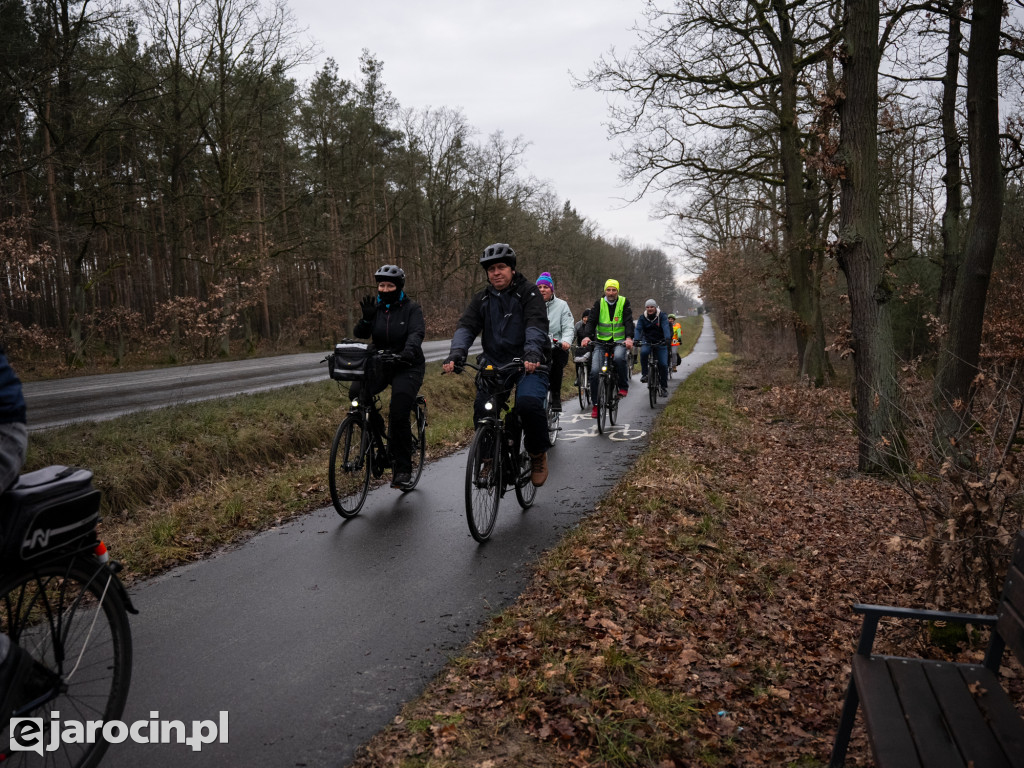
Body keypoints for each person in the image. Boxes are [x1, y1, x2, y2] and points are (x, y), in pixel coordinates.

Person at [442, 243, 551, 486]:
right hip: (495, 363)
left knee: (529, 403)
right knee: (483, 408)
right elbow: (467, 327)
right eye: (491, 269)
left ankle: (537, 454)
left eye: (501, 267)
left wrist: (532, 353)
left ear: (512, 269)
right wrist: (456, 354)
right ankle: (488, 460)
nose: (496, 272)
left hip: (528, 361)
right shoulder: (482, 298)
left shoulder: (530, 293)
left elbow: (535, 324)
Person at [352, 265, 426, 490]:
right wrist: (366, 319)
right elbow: (360, 334)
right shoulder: (375, 307)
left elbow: (416, 333)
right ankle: (375, 425)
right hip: (381, 362)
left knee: (399, 411)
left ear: (399, 287)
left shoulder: (411, 308)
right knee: (356, 394)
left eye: (389, 285)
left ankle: (402, 468)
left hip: (407, 364)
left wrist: (407, 352)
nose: (384, 289)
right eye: (381, 285)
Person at [580, 279, 635, 419]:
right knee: (594, 372)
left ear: (618, 291)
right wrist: (587, 337)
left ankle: (623, 386)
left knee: (618, 358)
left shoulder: (624, 302)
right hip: (601, 342)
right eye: (608, 290)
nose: (611, 293)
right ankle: (596, 405)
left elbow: (628, 321)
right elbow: (591, 321)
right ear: (605, 291)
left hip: (619, 341)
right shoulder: (599, 303)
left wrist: (629, 338)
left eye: (614, 290)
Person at [535, 272, 574, 412]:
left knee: (556, 364)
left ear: (551, 289)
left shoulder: (562, 306)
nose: (542, 290)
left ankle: (556, 395)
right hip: (536, 347)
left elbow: (569, 327)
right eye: (539, 287)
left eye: (545, 287)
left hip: (556, 347)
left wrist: (566, 341)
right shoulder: (531, 305)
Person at [634, 299, 671, 397]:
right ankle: (645, 374)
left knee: (663, 364)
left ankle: (663, 387)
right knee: (644, 353)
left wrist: (667, 338)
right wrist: (637, 339)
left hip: (661, 341)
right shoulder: (642, 317)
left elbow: (666, 327)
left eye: (652, 307)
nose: (650, 309)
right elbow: (638, 328)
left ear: (655, 307)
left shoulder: (662, 316)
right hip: (647, 340)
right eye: (648, 307)